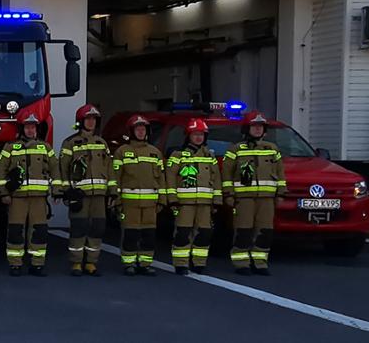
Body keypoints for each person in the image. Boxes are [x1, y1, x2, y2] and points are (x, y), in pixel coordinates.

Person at [223, 112, 286, 275]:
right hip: (243, 199)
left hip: (267, 199)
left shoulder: (272, 149)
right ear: (246, 128)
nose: (258, 130)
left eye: (261, 127)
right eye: (254, 126)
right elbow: (227, 174)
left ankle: (260, 262)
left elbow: (280, 173)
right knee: (243, 231)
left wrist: (280, 194)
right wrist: (228, 194)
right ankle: (241, 263)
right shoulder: (235, 149)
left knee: (265, 231)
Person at [57, 104, 113, 276]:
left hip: (99, 196)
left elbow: (110, 169)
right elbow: (62, 169)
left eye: (94, 119)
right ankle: (75, 263)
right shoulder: (70, 143)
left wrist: (113, 192)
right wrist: (65, 191)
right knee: (78, 228)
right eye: (88, 119)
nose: (91, 122)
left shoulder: (101, 143)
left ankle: (91, 263)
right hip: (79, 196)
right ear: (81, 121)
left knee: (97, 229)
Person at [0, 113, 56, 276]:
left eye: (33, 127)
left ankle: (37, 264)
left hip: (39, 198)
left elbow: (55, 169)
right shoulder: (10, 147)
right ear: (22, 129)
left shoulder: (45, 147)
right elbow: (0, 170)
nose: (31, 130)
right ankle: (15, 264)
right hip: (17, 198)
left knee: (39, 231)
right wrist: (4, 193)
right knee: (16, 231)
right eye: (27, 127)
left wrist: (57, 191)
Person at [164, 118, 221, 273]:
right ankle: (181, 263)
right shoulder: (177, 155)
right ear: (188, 136)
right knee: (182, 233)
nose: (198, 137)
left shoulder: (210, 156)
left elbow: (216, 180)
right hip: (184, 203)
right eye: (195, 134)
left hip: (205, 204)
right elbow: (169, 178)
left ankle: (199, 263)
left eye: (201, 134)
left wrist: (217, 201)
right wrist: (172, 200)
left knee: (204, 234)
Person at [113, 115, 164, 276]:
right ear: (131, 131)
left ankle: (145, 263)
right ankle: (129, 264)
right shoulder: (122, 152)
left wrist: (162, 200)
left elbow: (161, 178)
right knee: (130, 234)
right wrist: (116, 200)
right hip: (129, 203)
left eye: (143, 129)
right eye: (138, 129)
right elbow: (116, 177)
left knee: (149, 235)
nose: (141, 132)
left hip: (151, 204)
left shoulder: (155, 153)